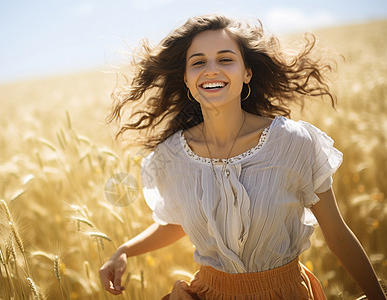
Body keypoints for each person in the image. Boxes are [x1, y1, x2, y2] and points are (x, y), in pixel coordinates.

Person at [99, 14, 385, 299]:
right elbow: (178, 221)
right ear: (186, 79)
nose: (211, 70)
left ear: (247, 72)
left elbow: (337, 234)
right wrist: (125, 250)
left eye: (225, 59)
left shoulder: (293, 142)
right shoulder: (172, 156)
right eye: (198, 62)